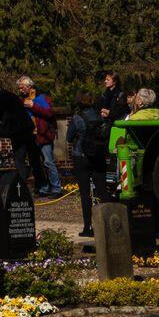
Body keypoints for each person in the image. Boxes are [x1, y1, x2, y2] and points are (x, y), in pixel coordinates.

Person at [65, 91, 111, 237]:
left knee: (85, 194)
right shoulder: (100, 117)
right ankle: (109, 223)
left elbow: (68, 137)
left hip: (81, 156)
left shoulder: (77, 118)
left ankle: (87, 227)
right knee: (103, 191)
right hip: (98, 156)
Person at [17, 75, 63, 194]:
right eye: (19, 88)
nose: (20, 90)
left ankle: (56, 189)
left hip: (43, 135)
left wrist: (33, 106)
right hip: (30, 137)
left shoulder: (41, 97)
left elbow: (49, 113)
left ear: (29, 86)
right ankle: (43, 188)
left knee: (48, 162)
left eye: (22, 87)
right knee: (35, 164)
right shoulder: (21, 100)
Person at [0, 83, 34, 171]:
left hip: (15, 128)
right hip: (25, 128)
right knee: (20, 158)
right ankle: (30, 178)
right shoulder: (12, 95)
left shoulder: (0, 96)